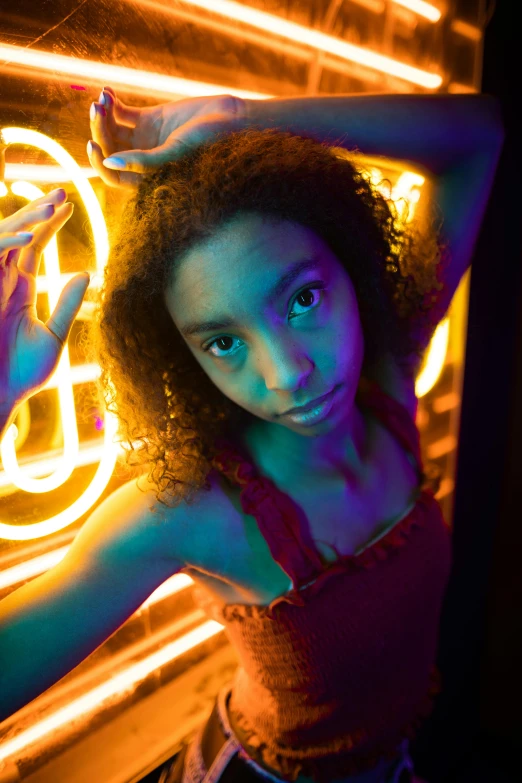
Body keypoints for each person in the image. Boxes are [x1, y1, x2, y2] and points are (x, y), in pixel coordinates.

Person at [0, 88, 503, 783]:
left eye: (303, 299)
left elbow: (478, 135)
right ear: (184, 356)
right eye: (223, 343)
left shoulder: (384, 379)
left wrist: (250, 122)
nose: (288, 373)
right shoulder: (200, 508)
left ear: (352, 269)